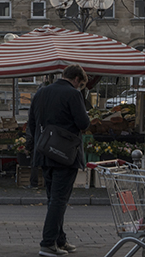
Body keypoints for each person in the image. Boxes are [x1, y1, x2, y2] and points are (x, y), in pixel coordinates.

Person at [26, 64, 90, 257]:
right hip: (65, 154)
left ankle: (59, 239)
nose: (80, 88)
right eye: (81, 84)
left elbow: (31, 122)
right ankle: (47, 243)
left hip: (45, 151)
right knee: (59, 199)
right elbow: (83, 123)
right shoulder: (73, 94)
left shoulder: (41, 92)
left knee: (52, 198)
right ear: (77, 79)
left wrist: (33, 145)